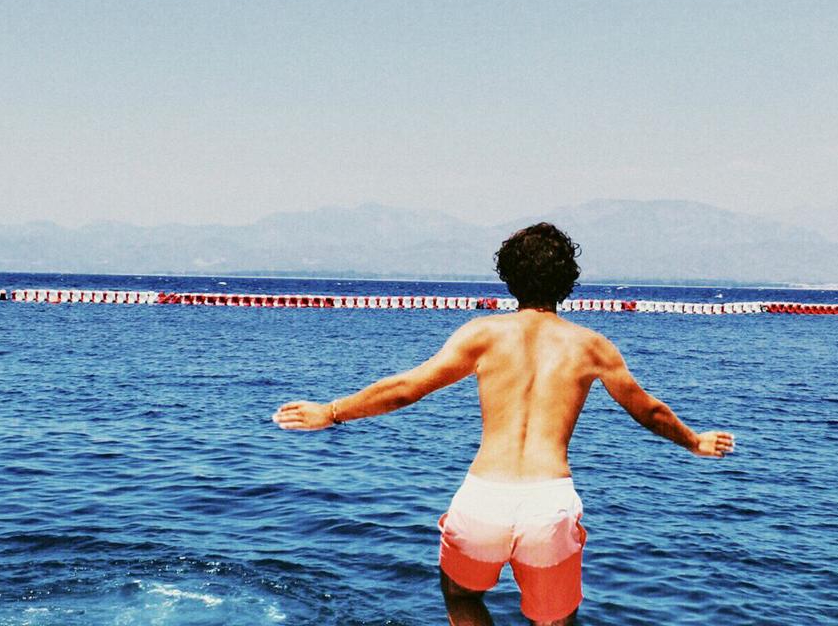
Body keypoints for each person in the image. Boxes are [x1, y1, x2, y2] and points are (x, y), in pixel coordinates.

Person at [275, 222, 735, 626]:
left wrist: (330, 411)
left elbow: (406, 388)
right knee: (554, 619)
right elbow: (648, 411)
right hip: (548, 503)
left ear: (509, 278)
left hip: (484, 497)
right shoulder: (591, 347)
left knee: (461, 595)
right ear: (569, 281)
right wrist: (694, 441)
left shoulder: (483, 334)